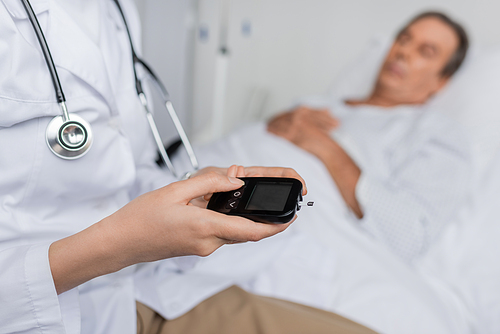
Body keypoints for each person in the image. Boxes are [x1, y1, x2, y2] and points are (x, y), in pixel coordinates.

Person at [0, 0, 377, 333]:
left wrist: (191, 188)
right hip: (43, 313)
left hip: (135, 293)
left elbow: (125, 166)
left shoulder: (115, 10)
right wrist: (122, 244)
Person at [267, 12, 472, 261]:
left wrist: (326, 148)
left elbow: (410, 236)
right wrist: (275, 123)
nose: (403, 52)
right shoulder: (315, 104)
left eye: (425, 51)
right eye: (404, 39)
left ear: (441, 81)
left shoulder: (434, 132)